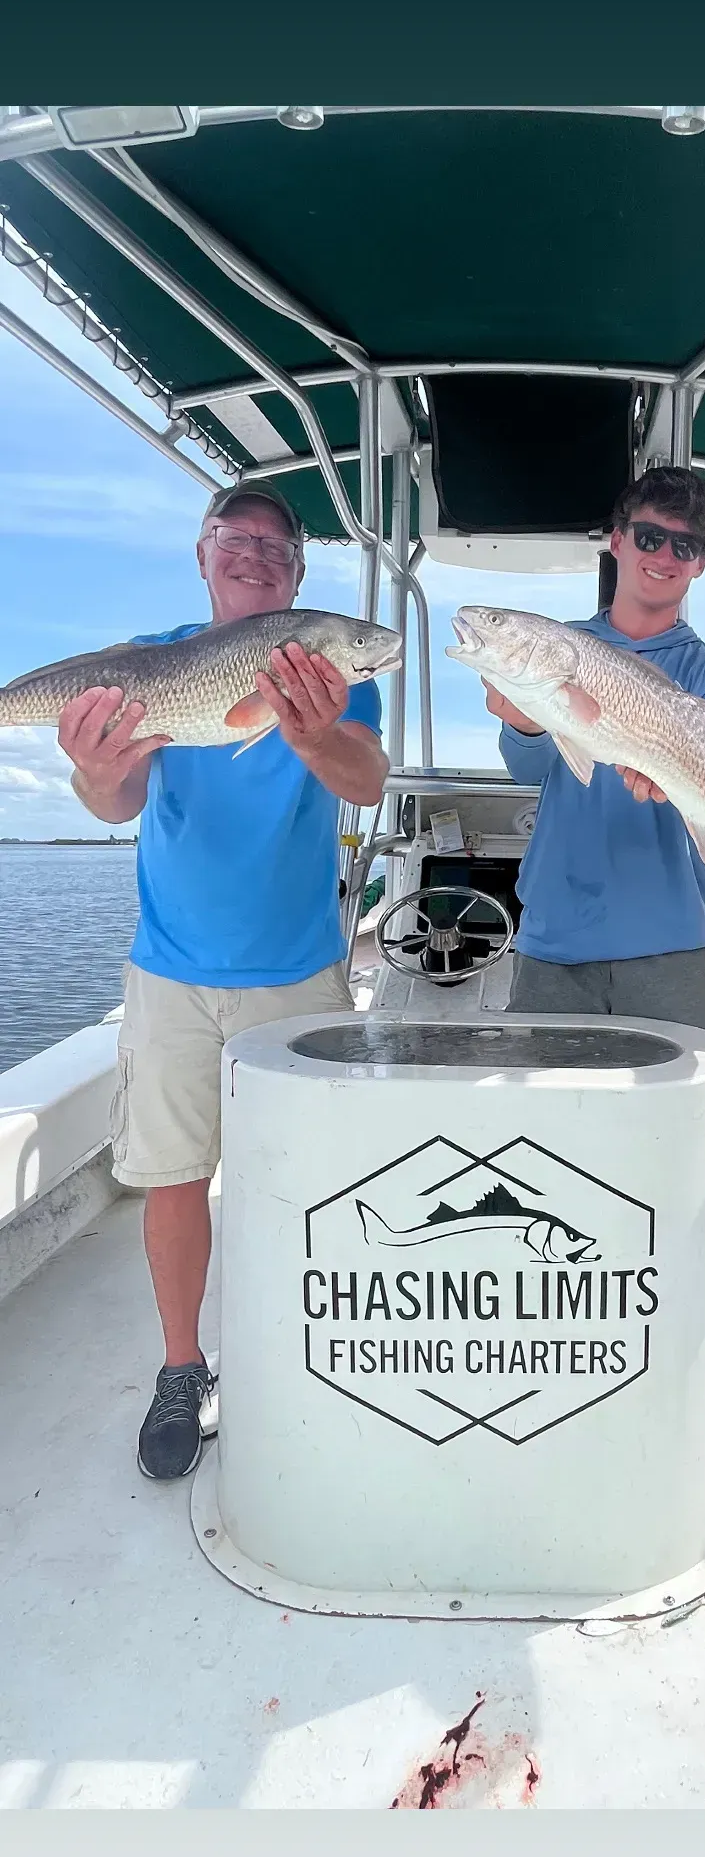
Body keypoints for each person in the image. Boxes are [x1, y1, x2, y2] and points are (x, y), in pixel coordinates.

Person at [57, 479, 389, 1481]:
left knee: (309, 1181)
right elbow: (113, 801)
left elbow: (366, 778)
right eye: (232, 539)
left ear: (297, 575)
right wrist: (91, 764)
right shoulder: (143, 664)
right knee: (171, 1177)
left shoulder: (331, 669)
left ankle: (298, 1357)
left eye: (275, 548)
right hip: (170, 971)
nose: (253, 555)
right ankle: (179, 1365)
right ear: (201, 555)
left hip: (298, 968)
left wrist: (313, 729)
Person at [483, 463, 705, 1443]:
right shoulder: (554, 652)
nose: (665, 557)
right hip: (556, 937)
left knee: (693, 1164)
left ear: (702, 561)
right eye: (650, 535)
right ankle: (559, 1340)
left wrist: (688, 779)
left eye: (686, 545)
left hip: (670, 947)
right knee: (543, 1158)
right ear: (618, 538)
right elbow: (530, 760)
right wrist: (521, 710)